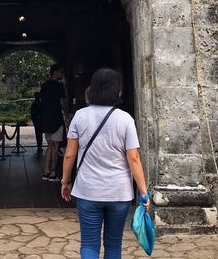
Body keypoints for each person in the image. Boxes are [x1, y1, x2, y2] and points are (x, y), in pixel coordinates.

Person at [61, 68, 151, 259]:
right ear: (117, 91)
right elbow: (133, 157)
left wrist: (65, 182)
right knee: (113, 244)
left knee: (89, 243)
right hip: (119, 192)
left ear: (91, 90)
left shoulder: (80, 116)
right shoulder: (125, 119)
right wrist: (143, 192)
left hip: (87, 191)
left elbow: (69, 154)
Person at [39, 63, 67, 181]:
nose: (61, 74)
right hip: (56, 119)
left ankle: (46, 171)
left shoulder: (44, 85)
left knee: (49, 146)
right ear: (55, 72)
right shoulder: (59, 86)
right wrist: (66, 113)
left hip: (46, 119)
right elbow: (62, 102)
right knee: (56, 147)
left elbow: (41, 100)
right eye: (60, 72)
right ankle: (53, 173)